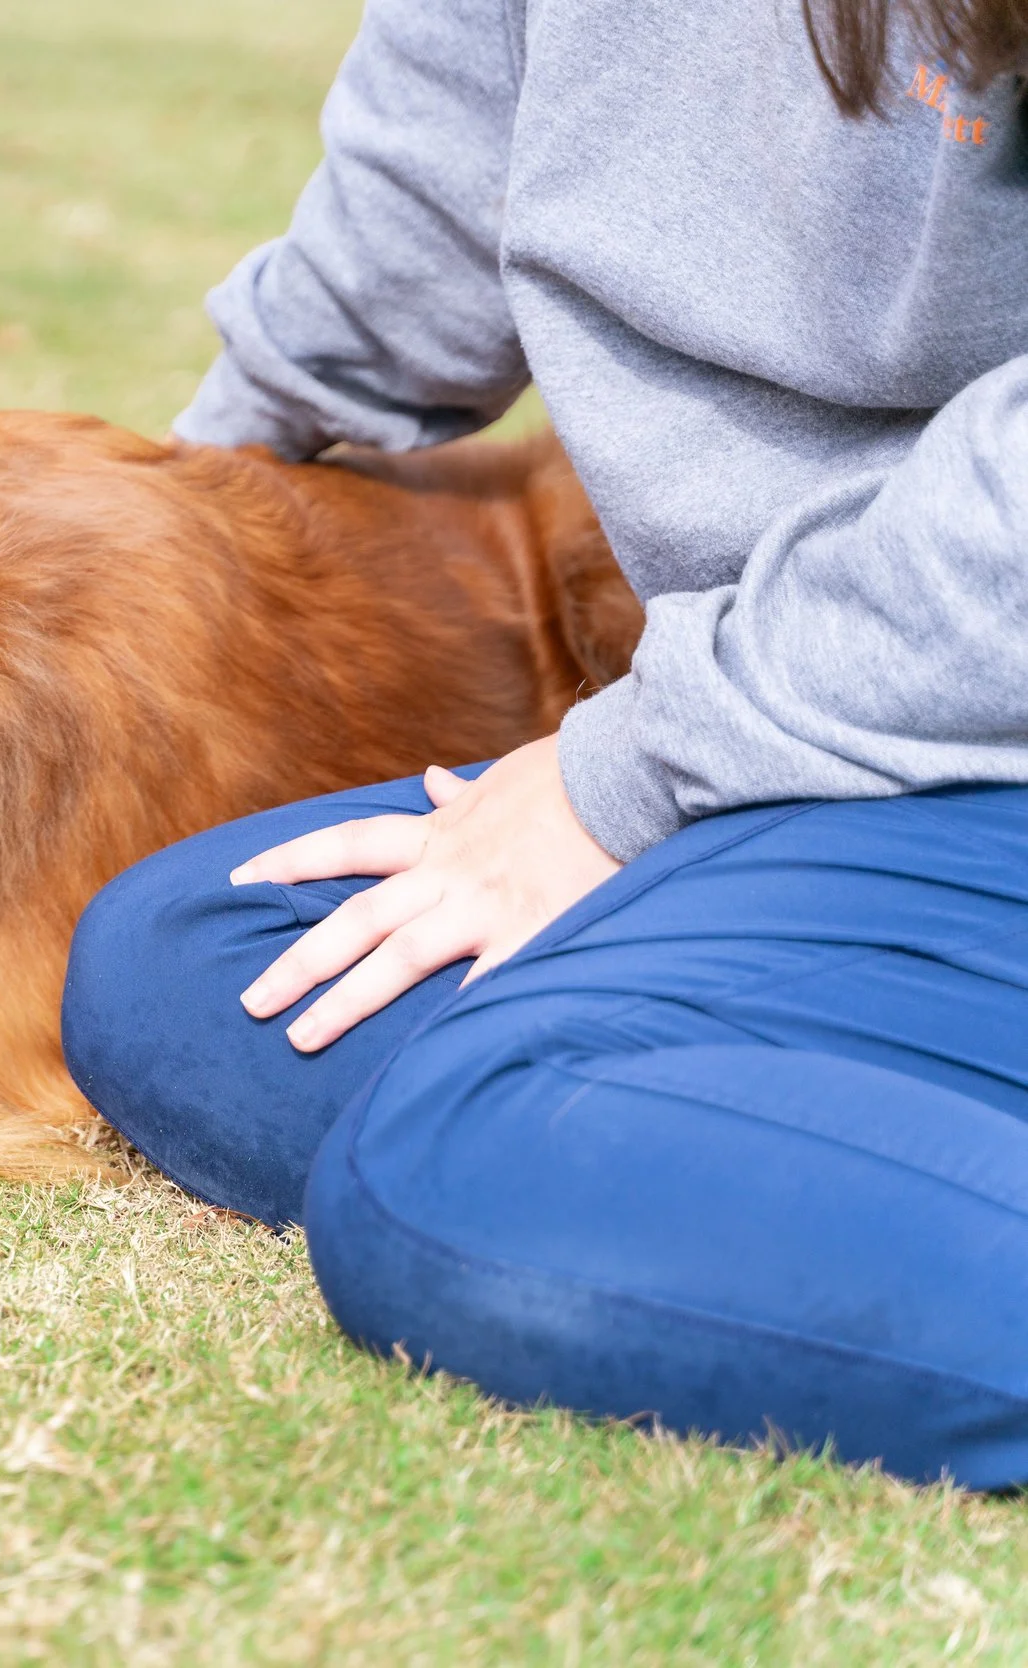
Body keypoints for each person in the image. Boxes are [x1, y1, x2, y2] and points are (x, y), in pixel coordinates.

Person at [62, 0, 1028, 1489]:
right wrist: (173, 530)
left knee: (449, 1171)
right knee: (188, 967)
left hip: (968, 710)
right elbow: (407, 236)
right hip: (832, 744)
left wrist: (616, 784)